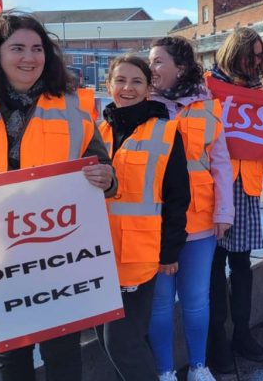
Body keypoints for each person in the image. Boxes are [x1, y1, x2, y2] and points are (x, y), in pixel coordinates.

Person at [0, 11, 115, 381]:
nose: (29, 58)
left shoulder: (72, 105)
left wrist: (106, 177)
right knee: (12, 354)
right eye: (17, 48)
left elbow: (103, 168)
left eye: (37, 48)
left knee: (63, 352)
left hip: (59, 252)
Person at [97, 55, 190, 380]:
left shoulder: (165, 132)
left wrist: (169, 252)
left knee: (123, 343)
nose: (127, 88)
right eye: (120, 80)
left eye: (136, 81)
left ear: (149, 88)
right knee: (105, 340)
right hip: (95, 255)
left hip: (137, 256)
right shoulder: (96, 132)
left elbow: (178, 197)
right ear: (108, 85)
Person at [147, 37, 233, 381]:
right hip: (153, 221)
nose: (150, 68)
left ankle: (199, 366)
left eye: (157, 62)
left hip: (199, 223)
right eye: (149, 61)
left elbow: (221, 163)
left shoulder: (209, 107)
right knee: (161, 304)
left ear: (179, 67)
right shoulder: (140, 103)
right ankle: (165, 371)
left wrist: (224, 212)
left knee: (197, 300)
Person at [204, 27, 263, 372]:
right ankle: (217, 342)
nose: (255, 63)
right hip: (210, 187)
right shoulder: (206, 87)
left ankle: (241, 333)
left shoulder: (261, 93)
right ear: (233, 54)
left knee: (241, 266)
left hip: (245, 186)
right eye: (250, 55)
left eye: (260, 56)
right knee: (213, 267)